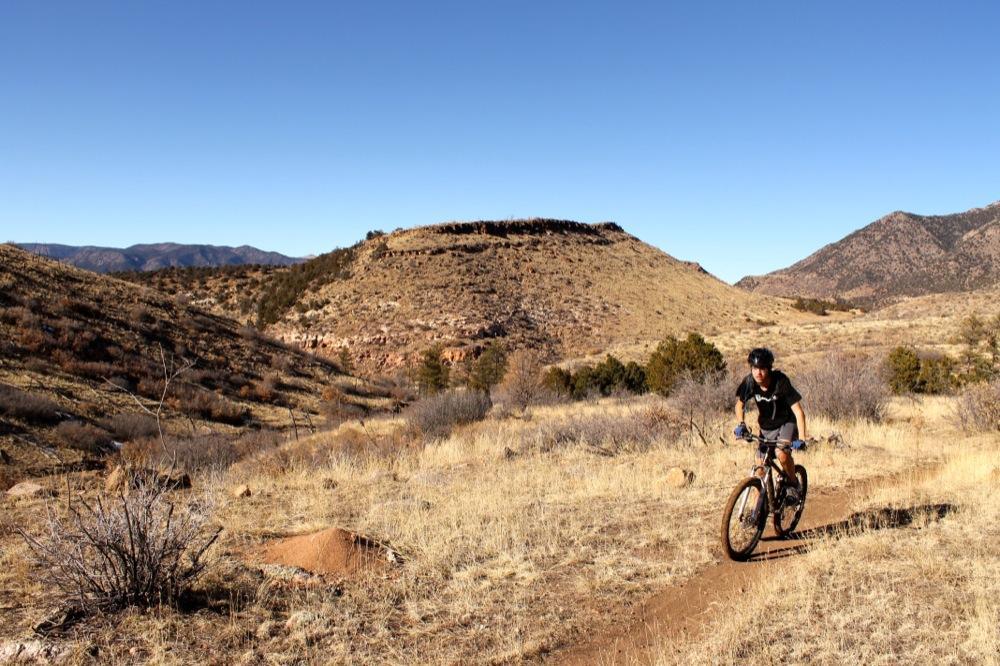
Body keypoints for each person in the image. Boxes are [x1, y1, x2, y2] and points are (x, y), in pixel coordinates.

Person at [733, 347, 807, 503]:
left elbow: (799, 412)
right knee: (759, 469)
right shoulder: (750, 382)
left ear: (769, 369)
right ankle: (755, 513)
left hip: (786, 422)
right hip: (766, 427)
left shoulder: (780, 382)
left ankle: (794, 485)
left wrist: (801, 438)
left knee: (782, 453)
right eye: (754, 368)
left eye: (762, 369)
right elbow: (739, 404)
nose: (758, 373)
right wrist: (741, 424)